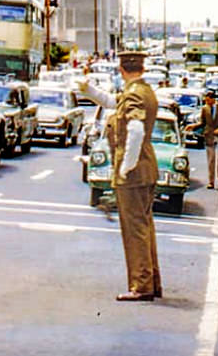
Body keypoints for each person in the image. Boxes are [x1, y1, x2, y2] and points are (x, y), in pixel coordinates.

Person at [78, 51, 162, 302]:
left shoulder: (135, 93)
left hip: (134, 173)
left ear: (122, 70)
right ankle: (151, 281)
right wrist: (89, 90)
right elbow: (115, 102)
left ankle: (141, 286)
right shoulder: (142, 90)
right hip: (146, 168)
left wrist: (126, 166)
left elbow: (135, 129)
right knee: (144, 228)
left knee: (134, 230)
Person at [185, 91, 218, 189]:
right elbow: (202, 122)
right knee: (211, 160)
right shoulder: (205, 109)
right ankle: (211, 181)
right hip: (209, 136)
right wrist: (193, 126)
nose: (207, 102)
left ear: (213, 99)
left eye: (208, 100)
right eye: (206, 101)